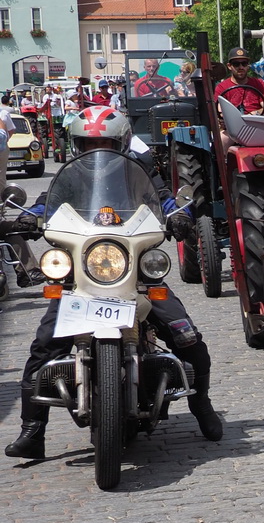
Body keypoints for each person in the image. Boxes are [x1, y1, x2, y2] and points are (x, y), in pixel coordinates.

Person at [5, 107, 223, 459]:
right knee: (44, 345)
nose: (97, 149)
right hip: (81, 279)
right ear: (76, 145)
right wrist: (29, 219)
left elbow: (165, 199)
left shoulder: (140, 174)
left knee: (186, 335)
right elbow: (47, 204)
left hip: (134, 275)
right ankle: (33, 430)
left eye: (105, 142)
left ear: (120, 142)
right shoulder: (69, 177)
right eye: (89, 143)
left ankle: (202, 406)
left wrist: (179, 214)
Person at [214, 48, 264, 114]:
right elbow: (219, 112)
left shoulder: (259, 84)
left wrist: (254, 114)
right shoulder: (222, 87)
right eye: (236, 64)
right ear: (229, 66)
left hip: (255, 122)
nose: (241, 67)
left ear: (248, 66)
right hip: (232, 122)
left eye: (244, 63)